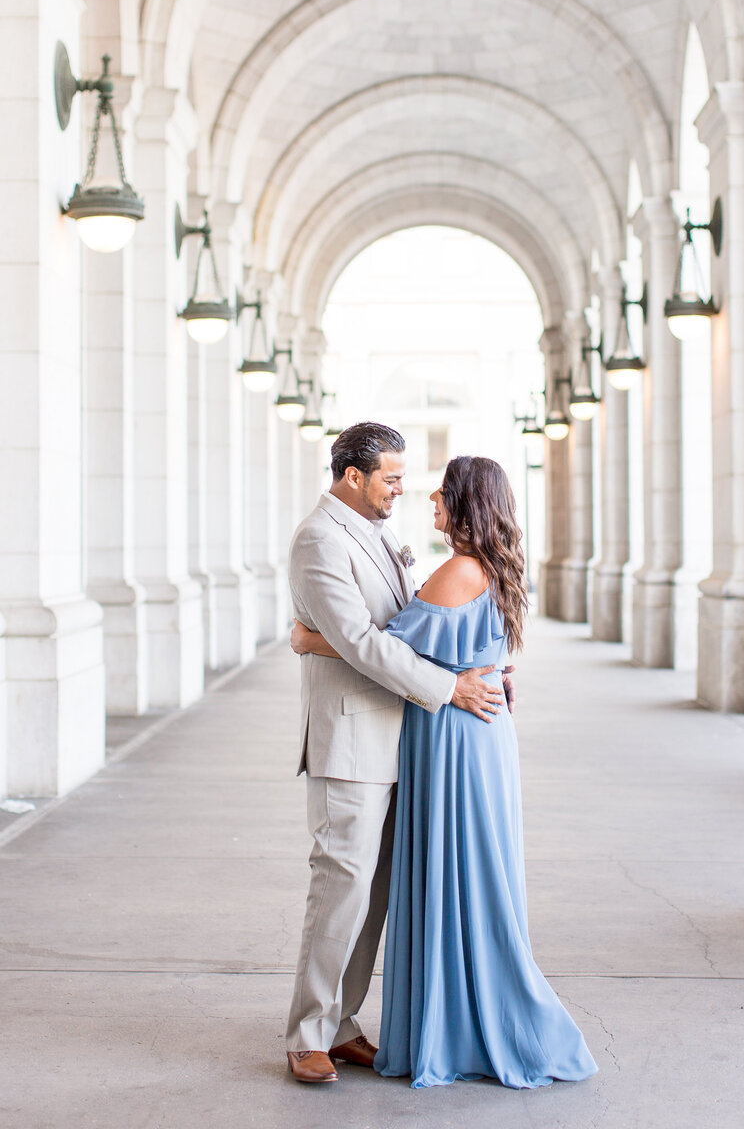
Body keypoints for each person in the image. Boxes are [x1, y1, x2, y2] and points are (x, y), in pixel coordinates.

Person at [293, 455, 598, 1089]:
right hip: (420, 732)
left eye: (435, 494)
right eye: (396, 480)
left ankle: (372, 1023)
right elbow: (391, 643)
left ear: (464, 505)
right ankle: (319, 1031)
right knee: (380, 882)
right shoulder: (334, 538)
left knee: (432, 880)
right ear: (354, 475)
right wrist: (463, 676)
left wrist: (310, 639)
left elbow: (388, 644)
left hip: (448, 738)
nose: (417, 498)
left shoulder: (455, 567)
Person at [284, 424, 506, 1084]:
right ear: (353, 477)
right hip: (352, 742)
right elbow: (360, 640)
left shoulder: (376, 532)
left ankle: (343, 1023)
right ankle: (306, 1033)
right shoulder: (319, 539)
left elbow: (406, 622)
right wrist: (449, 685)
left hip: (401, 736)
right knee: (341, 888)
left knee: (376, 895)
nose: (402, 490)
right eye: (391, 478)